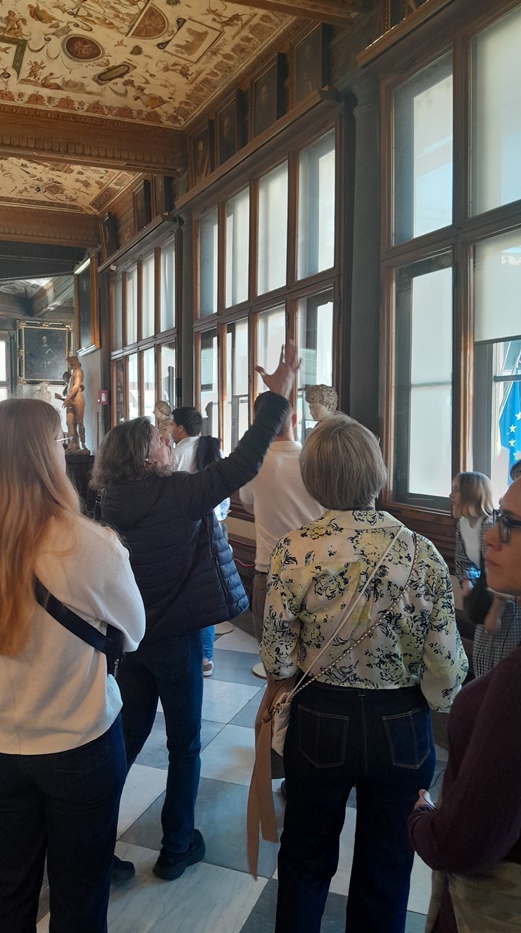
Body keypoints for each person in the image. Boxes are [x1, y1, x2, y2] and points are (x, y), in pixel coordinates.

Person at [91, 343, 298, 882]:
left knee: (126, 741)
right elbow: (244, 462)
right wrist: (275, 400)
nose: (169, 443)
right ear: (145, 457)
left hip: (132, 640)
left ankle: (92, 846)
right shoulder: (178, 496)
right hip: (179, 639)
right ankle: (177, 846)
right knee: (184, 744)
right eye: (161, 440)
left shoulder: (111, 501)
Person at [261, 415, 468, 933]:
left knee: (305, 857)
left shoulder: (295, 550)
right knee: (388, 866)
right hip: (401, 723)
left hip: (320, 714)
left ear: (313, 478)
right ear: (377, 472)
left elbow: (279, 660)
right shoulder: (423, 554)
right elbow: (445, 679)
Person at [0, 398, 144, 933]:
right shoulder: (89, 544)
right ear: (41, 457)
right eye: (59, 442)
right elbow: (134, 632)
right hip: (77, 740)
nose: (65, 452)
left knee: (3, 887)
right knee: (80, 891)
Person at [409, 470, 521, 933]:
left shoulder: (520, 679)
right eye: (498, 517)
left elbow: (467, 839)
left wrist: (422, 817)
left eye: (511, 524)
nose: (492, 540)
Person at [239, 394, 323, 678]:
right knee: (314, 665)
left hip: (271, 572)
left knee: (276, 672)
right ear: (296, 421)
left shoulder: (256, 463)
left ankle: (277, 722)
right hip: (318, 574)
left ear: (259, 424)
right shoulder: (316, 459)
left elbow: (247, 502)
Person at [171, 405, 230, 677]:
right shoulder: (211, 451)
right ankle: (206, 657)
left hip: (185, 531)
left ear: (180, 427)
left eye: (171, 425)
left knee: (184, 591)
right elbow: (224, 495)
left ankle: (190, 652)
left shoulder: (177, 455)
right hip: (215, 527)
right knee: (206, 592)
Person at [451, 471, 521, 675]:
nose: (451, 495)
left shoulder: (488, 525)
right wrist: (467, 582)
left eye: (456, 489)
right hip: (485, 595)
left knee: (504, 660)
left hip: (505, 603)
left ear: (471, 492)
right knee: (482, 655)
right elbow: (463, 559)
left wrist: (494, 613)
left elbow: (498, 574)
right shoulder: (463, 524)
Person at [64, 356, 86, 451]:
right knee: (69, 422)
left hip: (77, 398)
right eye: (69, 363)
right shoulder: (73, 373)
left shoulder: (78, 372)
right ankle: (73, 443)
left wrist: (68, 398)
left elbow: (76, 386)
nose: (71, 364)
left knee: (79, 422)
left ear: (76, 362)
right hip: (71, 399)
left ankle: (83, 444)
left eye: (72, 362)